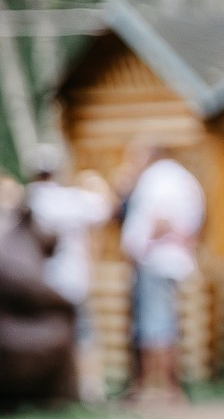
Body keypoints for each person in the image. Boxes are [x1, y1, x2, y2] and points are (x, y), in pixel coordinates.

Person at [118, 143, 205, 400]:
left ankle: (158, 388)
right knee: (166, 321)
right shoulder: (185, 180)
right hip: (176, 261)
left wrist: (138, 248)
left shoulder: (156, 180)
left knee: (154, 325)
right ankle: (165, 387)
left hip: (154, 260)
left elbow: (153, 221)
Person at [26, 155, 114, 402]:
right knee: (85, 336)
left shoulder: (29, 201)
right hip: (75, 280)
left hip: (41, 283)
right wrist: (93, 182)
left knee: (44, 335)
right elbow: (104, 208)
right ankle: (91, 389)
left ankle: (49, 390)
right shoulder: (73, 200)